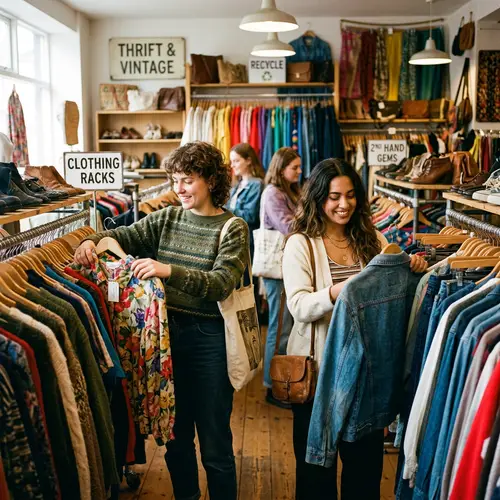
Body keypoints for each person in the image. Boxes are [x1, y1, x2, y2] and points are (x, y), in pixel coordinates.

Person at [73, 141, 249, 500]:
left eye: (187, 180)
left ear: (212, 180)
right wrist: (91, 241)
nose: (179, 188)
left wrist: (167, 270)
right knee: (175, 437)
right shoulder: (168, 217)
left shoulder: (233, 227)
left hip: (209, 339)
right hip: (165, 340)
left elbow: (220, 283)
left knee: (215, 441)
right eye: (175, 180)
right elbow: (120, 235)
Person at [282, 158, 428, 500]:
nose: (343, 204)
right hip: (318, 374)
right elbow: (299, 306)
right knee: (315, 474)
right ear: (319, 198)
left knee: (364, 473)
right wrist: (338, 292)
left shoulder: (373, 239)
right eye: (334, 196)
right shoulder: (301, 244)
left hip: (367, 374)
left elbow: (388, 293)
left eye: (350, 195)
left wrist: (413, 267)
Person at [261, 146, 301, 408]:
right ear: (281, 168)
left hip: (286, 266)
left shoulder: (287, 191)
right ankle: (272, 385)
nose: (299, 171)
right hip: (278, 269)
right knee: (278, 328)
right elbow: (288, 226)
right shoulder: (274, 193)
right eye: (294, 167)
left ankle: (278, 382)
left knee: (284, 326)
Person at [227, 143, 265, 257]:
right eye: (231, 161)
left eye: (236, 161)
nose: (232, 165)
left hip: (248, 242)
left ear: (248, 160)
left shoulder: (257, 184)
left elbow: (250, 216)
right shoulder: (237, 185)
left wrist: (224, 210)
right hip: (235, 239)